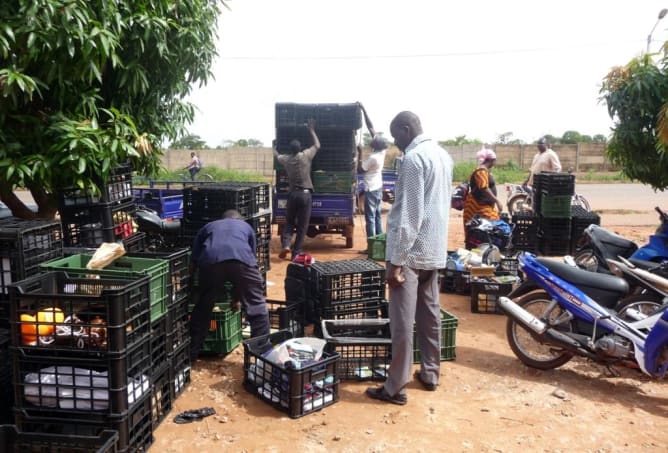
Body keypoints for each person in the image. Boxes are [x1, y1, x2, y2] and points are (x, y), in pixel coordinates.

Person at [366, 111, 453, 405]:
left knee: (402, 322)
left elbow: (410, 216)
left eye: (396, 136)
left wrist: (397, 261)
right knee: (430, 317)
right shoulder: (443, 156)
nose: (395, 143)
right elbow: (435, 205)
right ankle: (430, 374)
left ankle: (395, 387)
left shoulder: (414, 159)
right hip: (434, 250)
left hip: (411, 254)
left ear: (406, 129)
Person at [189, 209, 269, 361]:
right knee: (257, 306)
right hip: (242, 261)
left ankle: (192, 353)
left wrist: (195, 286)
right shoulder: (246, 227)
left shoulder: (209, 226)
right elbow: (248, 261)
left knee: (203, 307)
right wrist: (238, 298)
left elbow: (193, 260)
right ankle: (261, 357)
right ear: (239, 219)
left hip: (211, 262)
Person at [273, 119, 321, 260]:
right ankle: (295, 253)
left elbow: (276, 155)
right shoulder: (305, 156)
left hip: (292, 194)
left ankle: (286, 244)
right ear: (300, 149)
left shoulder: (286, 159)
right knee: (302, 226)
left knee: (289, 222)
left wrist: (274, 146)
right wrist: (311, 130)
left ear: (290, 150)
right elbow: (317, 145)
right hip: (305, 195)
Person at [358, 104, 389, 246]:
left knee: (370, 217)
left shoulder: (373, 158)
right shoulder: (382, 152)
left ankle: (371, 245)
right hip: (377, 188)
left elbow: (360, 170)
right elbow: (371, 128)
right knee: (376, 216)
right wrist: (364, 110)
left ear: (375, 145)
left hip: (370, 189)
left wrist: (359, 153)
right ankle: (379, 244)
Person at [462, 146, 504, 227]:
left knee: (482, 231)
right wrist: (497, 201)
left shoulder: (483, 170)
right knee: (489, 227)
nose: (495, 163)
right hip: (478, 206)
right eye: (494, 161)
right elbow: (484, 188)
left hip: (482, 206)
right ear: (491, 160)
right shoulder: (481, 171)